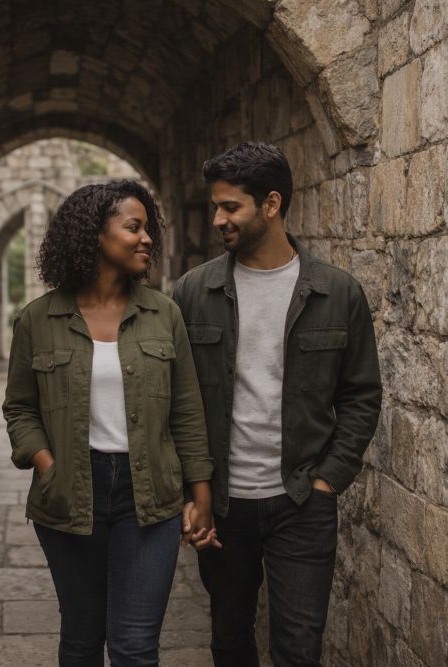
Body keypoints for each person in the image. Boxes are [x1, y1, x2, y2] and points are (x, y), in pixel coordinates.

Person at [172, 142, 382, 666]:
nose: (218, 220)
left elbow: (361, 395)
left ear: (271, 204)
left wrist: (328, 480)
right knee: (230, 641)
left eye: (230, 207)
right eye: (215, 207)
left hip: (302, 501)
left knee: (298, 649)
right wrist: (191, 491)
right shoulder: (193, 292)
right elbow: (176, 400)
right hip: (224, 504)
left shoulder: (338, 293)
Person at [3, 180, 217, 667]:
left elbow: (187, 409)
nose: (147, 239)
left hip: (151, 496)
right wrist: (47, 464)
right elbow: (19, 408)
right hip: (70, 494)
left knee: (135, 646)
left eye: (149, 228)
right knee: (81, 639)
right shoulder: (38, 320)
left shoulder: (163, 314)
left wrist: (200, 493)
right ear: (95, 235)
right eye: (134, 227)